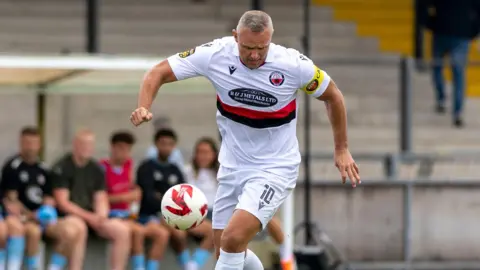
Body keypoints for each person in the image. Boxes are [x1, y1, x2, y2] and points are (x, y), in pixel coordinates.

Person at [130, 10, 360, 270]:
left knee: (233, 238)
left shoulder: (293, 65)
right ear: (235, 37)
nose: (254, 55)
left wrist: (342, 148)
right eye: (247, 47)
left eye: (261, 48)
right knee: (225, 251)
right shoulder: (215, 54)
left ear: (270, 40)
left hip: (274, 168)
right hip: (232, 167)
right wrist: (143, 105)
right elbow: (159, 71)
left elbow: (334, 96)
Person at [185, 137, 294, 270]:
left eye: (206, 152)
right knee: (224, 249)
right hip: (203, 214)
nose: (203, 156)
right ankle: (193, 265)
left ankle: (287, 257)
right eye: (200, 152)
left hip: (233, 209)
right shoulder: (189, 172)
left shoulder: (226, 170)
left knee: (265, 216)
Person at [0, 127, 87, 270]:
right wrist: (31, 215)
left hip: (42, 218)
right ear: (21, 143)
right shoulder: (12, 167)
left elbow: (49, 199)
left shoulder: (44, 169)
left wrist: (46, 209)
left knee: (70, 232)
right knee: (33, 232)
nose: (31, 147)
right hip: (23, 219)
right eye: (27, 143)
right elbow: (12, 202)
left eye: (34, 143)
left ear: (40, 145)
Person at [51, 129, 131, 270]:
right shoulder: (62, 167)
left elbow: (101, 197)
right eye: (83, 144)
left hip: (92, 215)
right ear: (75, 145)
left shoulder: (96, 169)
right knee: (79, 227)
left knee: (122, 230)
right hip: (69, 216)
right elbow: (63, 203)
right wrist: (90, 217)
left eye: (89, 145)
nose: (87, 149)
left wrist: (101, 216)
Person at [137, 128, 214, 270]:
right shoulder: (146, 167)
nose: (166, 147)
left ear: (174, 146)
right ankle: (185, 263)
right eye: (163, 143)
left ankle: (193, 265)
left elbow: (181, 197)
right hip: (154, 215)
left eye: (170, 144)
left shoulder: (175, 170)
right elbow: (148, 197)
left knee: (214, 230)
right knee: (177, 233)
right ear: (156, 144)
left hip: (177, 214)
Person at [101, 130, 170, 270]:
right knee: (137, 231)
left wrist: (136, 192)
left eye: (127, 149)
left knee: (161, 233)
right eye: (120, 147)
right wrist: (123, 197)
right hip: (112, 215)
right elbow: (99, 198)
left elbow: (133, 189)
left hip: (131, 216)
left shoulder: (129, 166)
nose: (124, 152)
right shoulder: (102, 168)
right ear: (112, 147)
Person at [421, 0, 480, 127]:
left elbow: (423, 5)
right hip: (460, 33)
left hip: (442, 31)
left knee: (438, 67)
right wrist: (473, 30)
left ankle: (441, 99)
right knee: (458, 73)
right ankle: (457, 111)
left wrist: (429, 23)